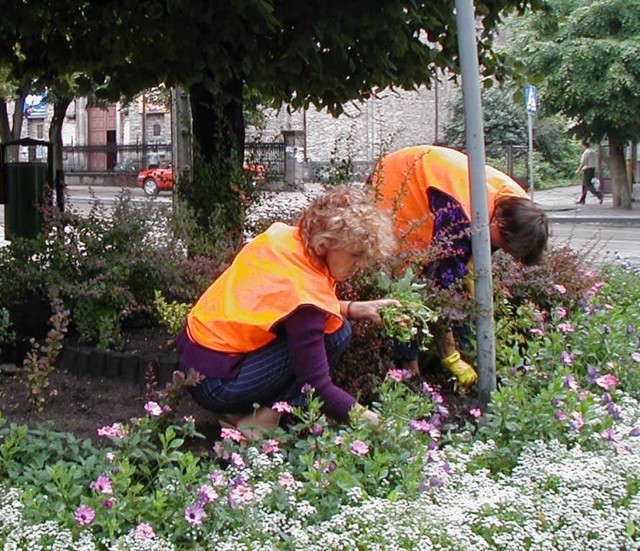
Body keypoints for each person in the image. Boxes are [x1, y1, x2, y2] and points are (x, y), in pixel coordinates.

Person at [176, 186, 399, 438]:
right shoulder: (305, 297)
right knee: (336, 335)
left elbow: (274, 304)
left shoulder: (286, 240)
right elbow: (318, 388)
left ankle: (246, 414)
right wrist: (382, 426)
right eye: (355, 254)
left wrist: (351, 308)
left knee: (337, 326)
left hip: (195, 364)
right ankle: (262, 420)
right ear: (327, 242)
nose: (360, 264)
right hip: (216, 386)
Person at [370, 144, 549, 387]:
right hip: (400, 182)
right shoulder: (459, 220)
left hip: (435, 175)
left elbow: (466, 273)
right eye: (504, 246)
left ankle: (465, 354)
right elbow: (440, 291)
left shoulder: (519, 205)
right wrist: (451, 357)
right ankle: (409, 373)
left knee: (458, 292)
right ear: (498, 223)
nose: (503, 252)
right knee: (407, 287)